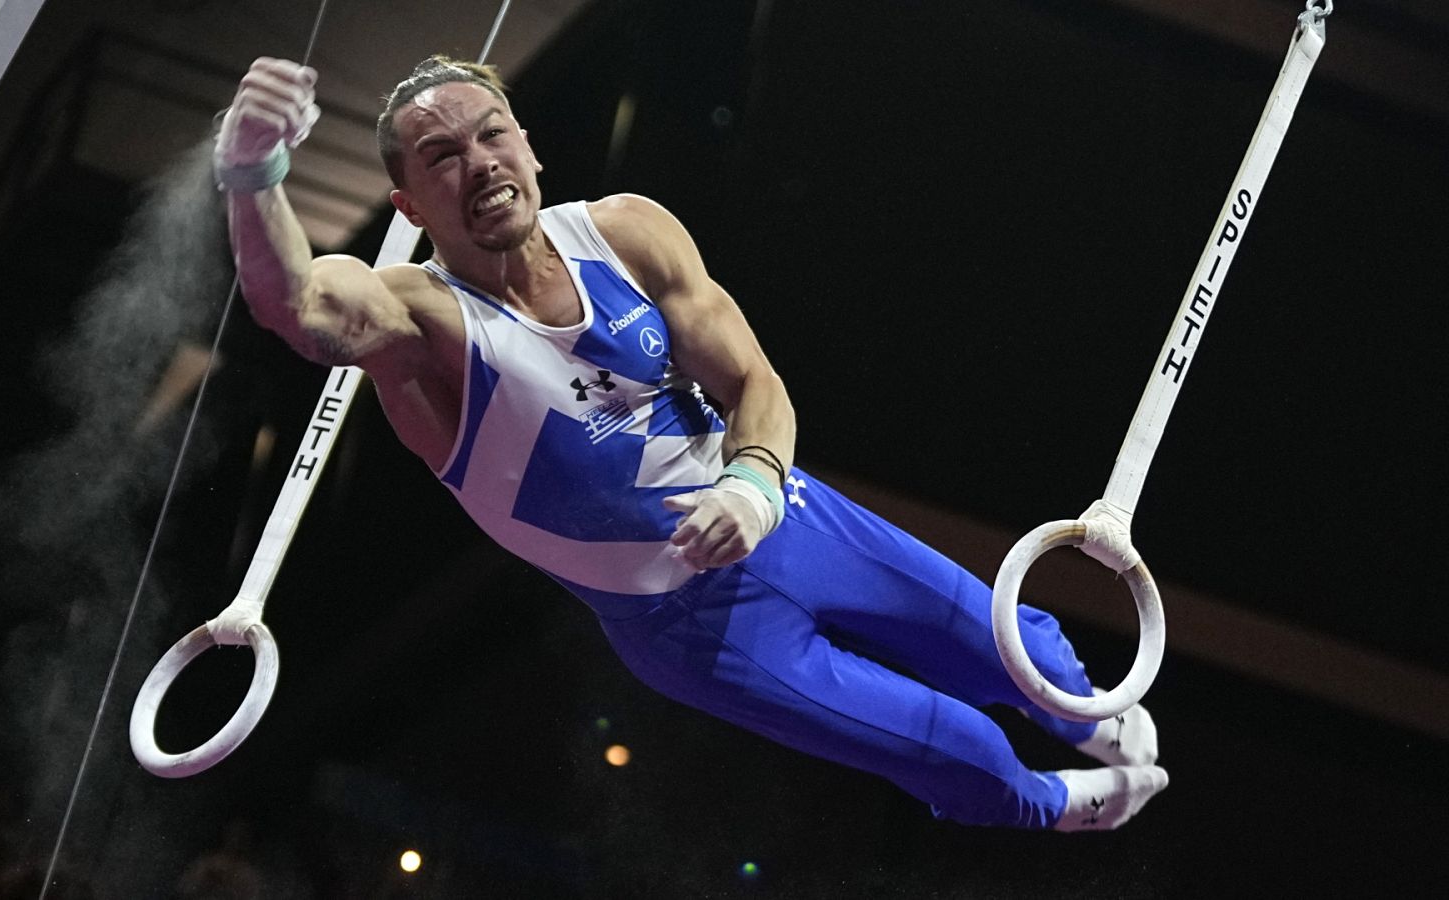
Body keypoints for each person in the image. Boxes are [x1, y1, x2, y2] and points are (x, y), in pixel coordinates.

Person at [208, 55, 1169, 830]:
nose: (481, 162)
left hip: (789, 517)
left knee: (1018, 648)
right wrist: (252, 171)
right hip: (688, 627)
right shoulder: (417, 327)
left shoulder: (626, 234)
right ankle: (1055, 806)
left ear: (529, 146)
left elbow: (755, 384)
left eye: (492, 133)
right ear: (410, 207)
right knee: (955, 748)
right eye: (442, 157)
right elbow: (294, 303)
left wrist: (752, 486)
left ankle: (1083, 711)